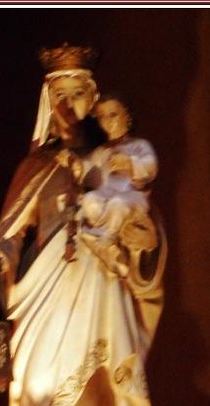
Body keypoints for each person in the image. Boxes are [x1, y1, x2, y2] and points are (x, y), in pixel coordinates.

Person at [0, 44, 165, 406]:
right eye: (59, 94)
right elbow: (9, 235)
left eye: (79, 93)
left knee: (99, 392)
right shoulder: (35, 167)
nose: (68, 104)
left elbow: (144, 235)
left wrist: (139, 242)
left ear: (95, 100)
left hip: (101, 291)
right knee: (42, 391)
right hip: (45, 298)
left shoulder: (116, 163)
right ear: (47, 102)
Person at [76, 95, 159, 279]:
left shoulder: (138, 145)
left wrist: (129, 164)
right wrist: (76, 166)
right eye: (102, 116)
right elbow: (86, 170)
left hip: (132, 198)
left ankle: (107, 239)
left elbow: (150, 166)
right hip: (107, 197)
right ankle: (97, 236)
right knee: (89, 200)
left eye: (112, 115)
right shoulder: (101, 151)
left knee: (118, 203)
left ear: (127, 116)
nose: (107, 121)